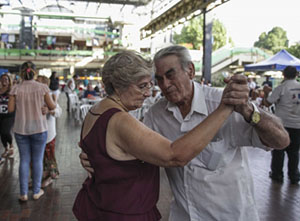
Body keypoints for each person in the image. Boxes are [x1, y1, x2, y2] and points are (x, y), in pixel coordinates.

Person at [80, 45, 289, 221]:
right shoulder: (156, 114)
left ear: (190, 70)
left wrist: (251, 112)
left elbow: (281, 140)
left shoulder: (226, 101)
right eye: (159, 79)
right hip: (184, 215)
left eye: (170, 76)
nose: (164, 86)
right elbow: (138, 146)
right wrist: (100, 156)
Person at [8, 61, 56, 202]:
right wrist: (46, 107)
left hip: (20, 129)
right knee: (37, 160)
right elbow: (52, 106)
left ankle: (23, 193)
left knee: (24, 160)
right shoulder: (42, 87)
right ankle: (36, 191)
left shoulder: (15, 89)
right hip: (39, 129)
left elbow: (10, 109)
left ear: (21, 72)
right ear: (34, 72)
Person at [263, 66, 300, 184]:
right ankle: (294, 175)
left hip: (282, 124)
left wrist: (266, 93)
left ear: (284, 74)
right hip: (297, 125)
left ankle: (277, 174)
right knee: (294, 151)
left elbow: (267, 103)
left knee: (279, 149)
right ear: (297, 74)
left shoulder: (281, 88)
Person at [37, 75, 62, 188]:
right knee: (38, 157)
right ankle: (38, 177)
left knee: (49, 156)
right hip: (35, 133)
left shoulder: (50, 96)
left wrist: (49, 111)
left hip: (48, 133)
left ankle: (50, 177)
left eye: (38, 82)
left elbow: (58, 111)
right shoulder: (33, 97)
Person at [0, 73, 15, 160]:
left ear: (9, 81)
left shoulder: (11, 91)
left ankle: (11, 145)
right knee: (1, 133)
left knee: (5, 131)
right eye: (2, 79)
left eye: (6, 79)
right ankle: (6, 148)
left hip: (9, 115)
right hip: (0, 114)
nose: (4, 81)